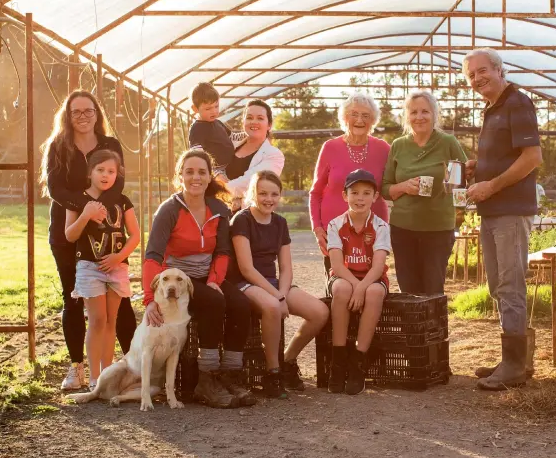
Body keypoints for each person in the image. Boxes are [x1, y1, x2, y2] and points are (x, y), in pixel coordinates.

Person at [40, 90, 137, 391]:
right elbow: (55, 189)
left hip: (108, 232)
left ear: (97, 113)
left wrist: (101, 209)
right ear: (67, 116)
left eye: (88, 110)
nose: (82, 116)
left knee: (117, 300)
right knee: (73, 297)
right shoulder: (58, 146)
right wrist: (86, 207)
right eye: (76, 112)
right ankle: (77, 367)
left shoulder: (110, 145)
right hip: (69, 230)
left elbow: (118, 181)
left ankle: (132, 365)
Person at [143, 148, 254, 408]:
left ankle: (230, 375)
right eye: (189, 171)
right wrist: (150, 300)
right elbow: (152, 257)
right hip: (178, 281)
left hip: (207, 276)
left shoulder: (218, 209)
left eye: (201, 172)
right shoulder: (169, 210)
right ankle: (207, 379)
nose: (196, 177)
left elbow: (223, 251)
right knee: (214, 303)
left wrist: (215, 279)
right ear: (179, 176)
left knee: (240, 304)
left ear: (209, 176)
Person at [463, 48, 542, 391]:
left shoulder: (517, 103)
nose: (477, 79)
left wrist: (491, 184)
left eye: (482, 71)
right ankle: (515, 360)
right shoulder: (492, 109)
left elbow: (532, 157)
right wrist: (476, 169)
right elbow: (506, 155)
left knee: (510, 284)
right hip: (493, 210)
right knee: (498, 285)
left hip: (510, 210)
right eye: (471, 76)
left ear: (499, 70)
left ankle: (513, 367)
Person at [230, 171, 329, 398]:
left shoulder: (280, 223)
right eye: (263, 193)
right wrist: (278, 297)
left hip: (274, 284)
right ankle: (272, 373)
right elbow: (246, 269)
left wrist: (282, 293)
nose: (268, 199)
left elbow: (286, 268)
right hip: (245, 283)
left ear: (280, 196)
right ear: (253, 193)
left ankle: (287, 360)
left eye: (274, 194)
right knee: (273, 307)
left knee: (320, 312)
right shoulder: (241, 220)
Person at [64, 150, 140, 389]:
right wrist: (86, 214)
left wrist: (119, 257)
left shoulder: (122, 200)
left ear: (117, 175)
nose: (106, 175)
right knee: (97, 320)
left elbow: (135, 235)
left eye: (111, 171)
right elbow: (70, 235)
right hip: (89, 267)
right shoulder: (78, 200)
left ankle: (106, 375)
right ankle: (94, 376)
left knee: (111, 321)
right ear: (90, 172)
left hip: (116, 267)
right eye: (100, 170)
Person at [381, 91, 468, 296]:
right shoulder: (398, 145)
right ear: (407, 116)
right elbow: (385, 188)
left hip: (438, 227)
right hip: (403, 228)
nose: (419, 117)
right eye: (414, 112)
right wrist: (404, 187)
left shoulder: (448, 142)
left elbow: (462, 178)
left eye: (425, 112)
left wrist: (452, 184)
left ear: (434, 115)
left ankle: (435, 329)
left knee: (433, 288)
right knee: (408, 289)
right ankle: (413, 330)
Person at [326, 169, 391, 396]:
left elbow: (378, 267)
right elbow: (337, 264)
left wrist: (362, 288)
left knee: (374, 293)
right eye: (354, 192)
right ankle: (338, 362)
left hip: (371, 279)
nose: (360, 198)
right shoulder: (335, 225)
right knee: (342, 290)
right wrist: (355, 285)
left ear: (375, 197)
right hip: (345, 276)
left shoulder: (381, 226)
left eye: (366, 193)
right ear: (345, 196)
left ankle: (358, 363)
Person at [310, 91, 390, 272]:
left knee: (370, 286)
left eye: (365, 115)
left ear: (373, 120)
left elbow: (393, 183)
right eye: (354, 114)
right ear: (345, 118)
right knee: (339, 288)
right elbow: (315, 193)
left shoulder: (383, 149)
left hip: (372, 234)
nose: (359, 120)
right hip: (335, 233)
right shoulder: (330, 147)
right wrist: (317, 228)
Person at [225, 100, 285, 206]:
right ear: (243, 122)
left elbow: (249, 184)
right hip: (215, 214)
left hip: (247, 218)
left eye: (260, 118)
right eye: (249, 117)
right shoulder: (229, 144)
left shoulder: (274, 156)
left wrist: (215, 189)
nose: (254, 121)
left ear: (269, 125)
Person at [188, 82, 236, 175]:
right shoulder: (197, 129)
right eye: (208, 109)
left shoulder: (218, 123)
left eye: (216, 106)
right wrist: (215, 173)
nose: (214, 111)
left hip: (230, 165)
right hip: (216, 171)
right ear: (195, 109)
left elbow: (233, 137)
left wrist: (248, 135)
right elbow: (198, 156)